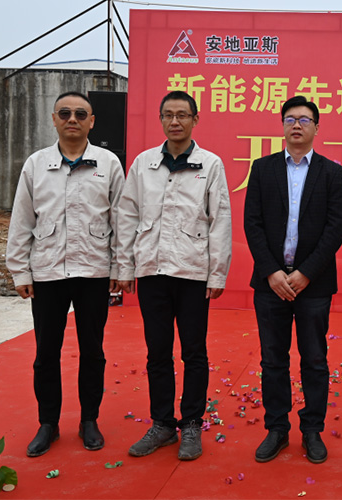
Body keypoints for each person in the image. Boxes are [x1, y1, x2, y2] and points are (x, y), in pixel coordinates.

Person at [6, 91, 125, 457]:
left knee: (92, 351)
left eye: (80, 114)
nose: (73, 119)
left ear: (92, 121)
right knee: (46, 352)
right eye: (65, 113)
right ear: (54, 119)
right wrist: (20, 270)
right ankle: (48, 423)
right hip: (48, 271)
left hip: (93, 271)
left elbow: (121, 220)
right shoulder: (36, 164)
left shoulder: (108, 163)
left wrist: (120, 267)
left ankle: (89, 420)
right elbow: (22, 219)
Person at [117, 90, 232, 461]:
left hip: (193, 271)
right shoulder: (144, 164)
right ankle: (163, 423)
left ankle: (192, 423)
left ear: (195, 120)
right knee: (158, 352)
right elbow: (127, 215)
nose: (175, 121)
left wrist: (216, 274)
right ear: (161, 120)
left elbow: (220, 220)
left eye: (182, 115)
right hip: (152, 270)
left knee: (194, 352)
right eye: (168, 114)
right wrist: (125, 266)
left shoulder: (210, 164)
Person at [244, 95, 342, 464]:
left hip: (313, 285)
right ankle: (276, 428)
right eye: (290, 119)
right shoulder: (262, 168)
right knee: (273, 359)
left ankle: (312, 429)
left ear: (316, 127)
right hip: (270, 283)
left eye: (305, 119)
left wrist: (305, 273)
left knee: (315, 359)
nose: (297, 125)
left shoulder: (332, 173)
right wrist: (272, 271)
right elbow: (252, 223)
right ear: (282, 126)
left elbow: (335, 228)